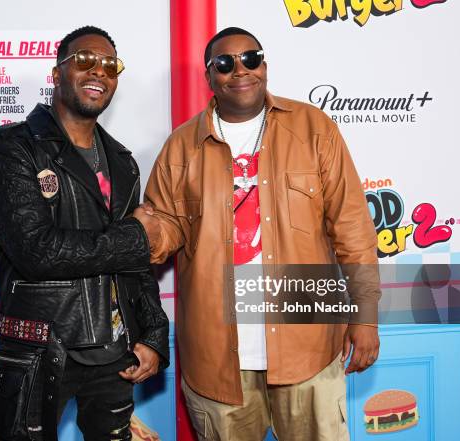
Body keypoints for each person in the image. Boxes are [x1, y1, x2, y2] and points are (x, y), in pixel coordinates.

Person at [139, 27, 380, 441]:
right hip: (216, 359)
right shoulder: (181, 147)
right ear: (209, 76)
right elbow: (165, 230)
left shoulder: (312, 128)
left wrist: (365, 315)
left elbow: (352, 225)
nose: (240, 71)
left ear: (264, 65)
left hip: (309, 342)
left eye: (251, 58)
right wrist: (135, 234)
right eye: (224, 63)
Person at [0, 26, 169, 441]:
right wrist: (136, 235)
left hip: (115, 354)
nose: (98, 72)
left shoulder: (123, 162)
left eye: (109, 65)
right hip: (40, 351)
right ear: (56, 72)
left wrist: (155, 333)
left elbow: (135, 265)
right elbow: (36, 251)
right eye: (84, 60)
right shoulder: (14, 148)